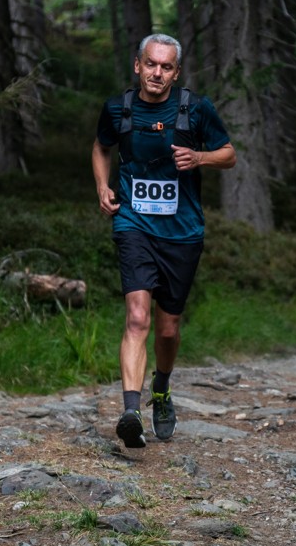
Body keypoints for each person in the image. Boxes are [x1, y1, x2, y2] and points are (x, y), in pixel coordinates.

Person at [92, 34, 237, 448]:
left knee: (168, 328)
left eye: (166, 67)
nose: (157, 73)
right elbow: (101, 147)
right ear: (138, 65)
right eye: (151, 64)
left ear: (176, 72)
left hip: (182, 232)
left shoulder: (196, 109)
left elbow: (229, 154)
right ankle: (131, 411)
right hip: (133, 224)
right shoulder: (118, 108)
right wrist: (102, 185)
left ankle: (161, 388)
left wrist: (200, 157)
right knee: (138, 317)